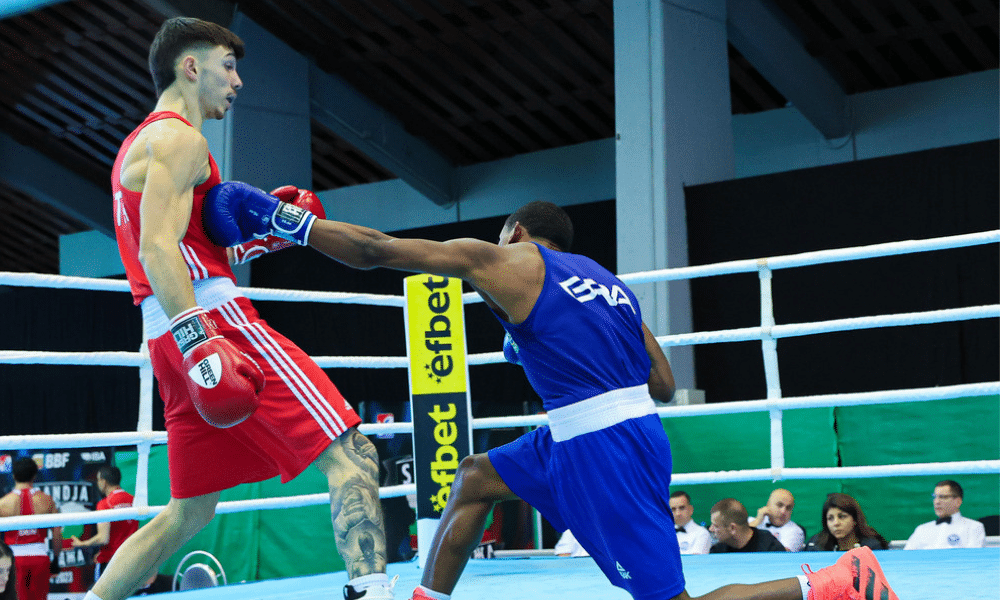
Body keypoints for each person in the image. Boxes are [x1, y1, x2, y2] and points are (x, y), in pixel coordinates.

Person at [204, 194, 900, 600]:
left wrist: (280, 221)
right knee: (475, 477)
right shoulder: (607, 283)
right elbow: (660, 381)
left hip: (602, 448)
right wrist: (551, 347)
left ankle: (838, 580)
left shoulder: (503, 258)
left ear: (515, 232)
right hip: (596, 431)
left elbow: (378, 250)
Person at [96, 16, 393, 600]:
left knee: (189, 512)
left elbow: (173, 241)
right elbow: (158, 247)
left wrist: (258, 237)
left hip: (165, 337)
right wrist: (202, 340)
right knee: (351, 451)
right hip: (212, 325)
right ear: (191, 67)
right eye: (227, 67)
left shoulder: (137, 146)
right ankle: (373, 592)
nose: (237, 82)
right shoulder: (181, 139)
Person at [0, 457, 62, 600]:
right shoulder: (47, 500)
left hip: (13, 560)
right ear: (35, 475)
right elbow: (57, 533)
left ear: (14, 476)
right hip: (39, 558)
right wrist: (56, 560)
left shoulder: (3, 503)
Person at [69, 467, 140, 581]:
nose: (98, 483)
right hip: (131, 559)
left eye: (98, 480)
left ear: (103, 481)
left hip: (110, 561)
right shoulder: (134, 500)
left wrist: (83, 543)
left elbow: (103, 538)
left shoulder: (105, 504)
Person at [903, 480, 986, 549]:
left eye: (943, 497)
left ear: (958, 502)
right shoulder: (922, 529)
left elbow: (973, 561)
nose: (937, 502)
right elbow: (906, 558)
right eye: (935, 497)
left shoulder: (974, 527)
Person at [804, 493, 888, 552]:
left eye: (842, 517)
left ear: (855, 519)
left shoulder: (872, 547)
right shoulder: (816, 545)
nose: (836, 523)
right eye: (830, 518)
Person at [709, 499, 786, 553]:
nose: (710, 529)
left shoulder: (771, 548)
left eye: (716, 526)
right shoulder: (717, 551)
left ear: (732, 528)